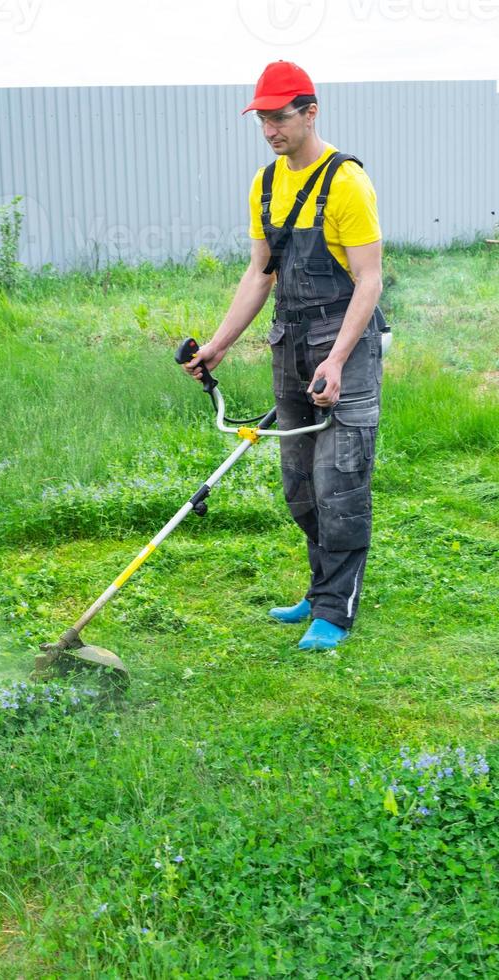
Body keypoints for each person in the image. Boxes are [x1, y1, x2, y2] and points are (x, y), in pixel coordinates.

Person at [183, 61, 384, 651]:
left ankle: (336, 611)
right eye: (262, 118)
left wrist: (339, 359)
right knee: (299, 482)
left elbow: (369, 282)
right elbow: (259, 273)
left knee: (339, 482)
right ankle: (321, 589)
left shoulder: (346, 182)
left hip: (344, 344)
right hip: (289, 343)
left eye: (280, 116)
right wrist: (218, 345)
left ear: (310, 112)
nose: (270, 129)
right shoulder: (265, 184)